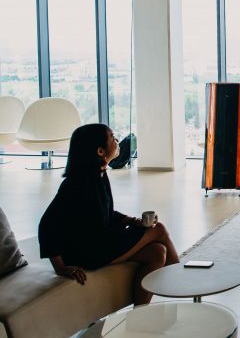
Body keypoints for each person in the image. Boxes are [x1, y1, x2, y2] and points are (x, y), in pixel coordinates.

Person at [39, 124, 180, 305]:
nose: (117, 140)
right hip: (90, 251)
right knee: (158, 229)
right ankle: (181, 282)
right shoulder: (77, 183)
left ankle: (139, 312)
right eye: (112, 137)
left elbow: (104, 213)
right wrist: (60, 267)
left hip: (100, 242)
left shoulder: (99, 174)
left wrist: (132, 221)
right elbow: (47, 224)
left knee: (157, 253)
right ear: (100, 151)